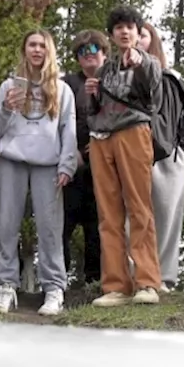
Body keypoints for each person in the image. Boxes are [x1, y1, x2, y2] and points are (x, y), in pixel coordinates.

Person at [0, 30, 77, 317]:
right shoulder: (8, 86)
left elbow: (68, 130)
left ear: (49, 51)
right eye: (31, 45)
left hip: (48, 163)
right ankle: (6, 285)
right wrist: (5, 109)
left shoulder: (62, 90)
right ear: (24, 50)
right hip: (13, 160)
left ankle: (53, 287)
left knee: (50, 227)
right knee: (7, 224)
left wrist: (67, 164)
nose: (36, 50)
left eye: (42, 45)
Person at [81, 7, 163, 307]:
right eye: (119, 28)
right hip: (102, 139)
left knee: (139, 208)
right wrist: (92, 92)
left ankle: (147, 282)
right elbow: (93, 112)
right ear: (113, 34)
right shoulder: (105, 69)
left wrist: (140, 66)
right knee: (108, 214)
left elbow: (155, 101)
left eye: (130, 27)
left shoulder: (149, 62)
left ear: (138, 32)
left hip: (133, 133)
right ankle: (116, 285)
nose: (125, 32)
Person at [138, 22, 184, 291]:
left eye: (143, 35)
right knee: (133, 215)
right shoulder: (116, 77)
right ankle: (136, 276)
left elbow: (183, 117)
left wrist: (182, 149)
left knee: (167, 215)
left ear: (153, 40)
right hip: (134, 153)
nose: (137, 39)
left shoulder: (170, 76)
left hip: (169, 156)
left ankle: (163, 278)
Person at [60, 30, 107, 287]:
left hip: (104, 165)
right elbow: (60, 121)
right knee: (62, 225)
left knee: (97, 228)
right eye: (82, 52)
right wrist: (72, 151)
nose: (88, 56)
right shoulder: (67, 83)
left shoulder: (114, 79)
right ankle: (58, 281)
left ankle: (94, 281)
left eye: (93, 50)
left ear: (104, 53)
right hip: (73, 164)